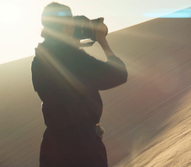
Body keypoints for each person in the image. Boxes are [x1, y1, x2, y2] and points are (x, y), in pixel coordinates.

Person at [31, 2, 127, 167]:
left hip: (52, 148)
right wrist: (102, 40)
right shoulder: (71, 58)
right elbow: (119, 75)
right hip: (82, 149)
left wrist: (71, 43)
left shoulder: (39, 60)